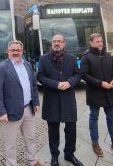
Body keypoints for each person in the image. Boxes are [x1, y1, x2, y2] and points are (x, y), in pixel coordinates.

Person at [80, 33, 113, 158]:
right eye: (97, 41)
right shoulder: (86, 57)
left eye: (101, 41)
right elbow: (84, 75)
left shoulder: (108, 55)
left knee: (112, 118)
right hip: (94, 92)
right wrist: (100, 83)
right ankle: (95, 143)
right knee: (94, 118)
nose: (100, 43)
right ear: (91, 43)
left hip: (109, 92)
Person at [0, 40, 43, 166]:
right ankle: (11, 164)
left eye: (18, 50)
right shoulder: (1, 67)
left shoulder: (27, 65)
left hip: (28, 109)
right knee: (11, 142)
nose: (15, 52)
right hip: (10, 111)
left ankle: (33, 160)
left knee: (30, 138)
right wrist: (1, 112)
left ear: (22, 51)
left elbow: (33, 86)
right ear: (8, 51)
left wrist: (36, 102)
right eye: (12, 50)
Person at [36, 34, 83, 166]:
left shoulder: (72, 58)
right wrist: (56, 84)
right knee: (53, 131)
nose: (56, 43)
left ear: (64, 43)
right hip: (51, 99)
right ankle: (54, 156)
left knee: (71, 130)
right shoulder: (44, 58)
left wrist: (69, 82)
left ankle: (69, 154)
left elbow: (78, 74)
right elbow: (40, 76)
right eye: (54, 41)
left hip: (68, 99)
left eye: (59, 41)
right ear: (52, 43)